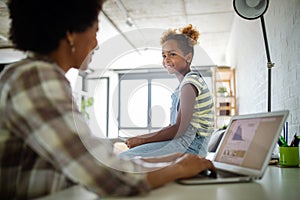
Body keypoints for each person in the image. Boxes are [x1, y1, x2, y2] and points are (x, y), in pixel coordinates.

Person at [0, 0, 216, 199]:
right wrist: (177, 167)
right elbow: (107, 176)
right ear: (70, 34)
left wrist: (170, 160)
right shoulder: (36, 78)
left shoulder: (36, 75)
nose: (96, 44)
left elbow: (98, 162)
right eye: (95, 32)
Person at [119, 24, 214, 159]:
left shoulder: (189, 84)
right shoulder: (182, 85)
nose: (166, 60)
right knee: (129, 155)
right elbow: (172, 126)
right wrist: (142, 137)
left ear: (188, 57)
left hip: (191, 147)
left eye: (172, 54)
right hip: (182, 143)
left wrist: (142, 140)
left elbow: (179, 129)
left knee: (124, 158)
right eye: (164, 55)